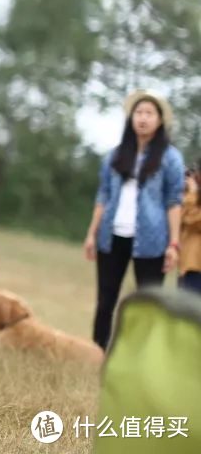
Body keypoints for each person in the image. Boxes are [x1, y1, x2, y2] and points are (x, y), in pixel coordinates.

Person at [83, 90, 185, 350]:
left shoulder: (170, 158)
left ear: (160, 120)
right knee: (106, 299)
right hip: (112, 236)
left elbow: (174, 201)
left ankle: (142, 356)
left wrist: (173, 244)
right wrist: (92, 233)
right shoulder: (115, 155)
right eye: (138, 113)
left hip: (152, 240)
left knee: (148, 302)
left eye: (149, 113)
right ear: (131, 118)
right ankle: (98, 351)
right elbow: (103, 195)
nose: (143, 118)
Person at [179, 164, 201, 295]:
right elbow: (179, 218)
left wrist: (192, 193)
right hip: (188, 266)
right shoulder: (191, 197)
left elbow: (193, 221)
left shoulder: (192, 197)